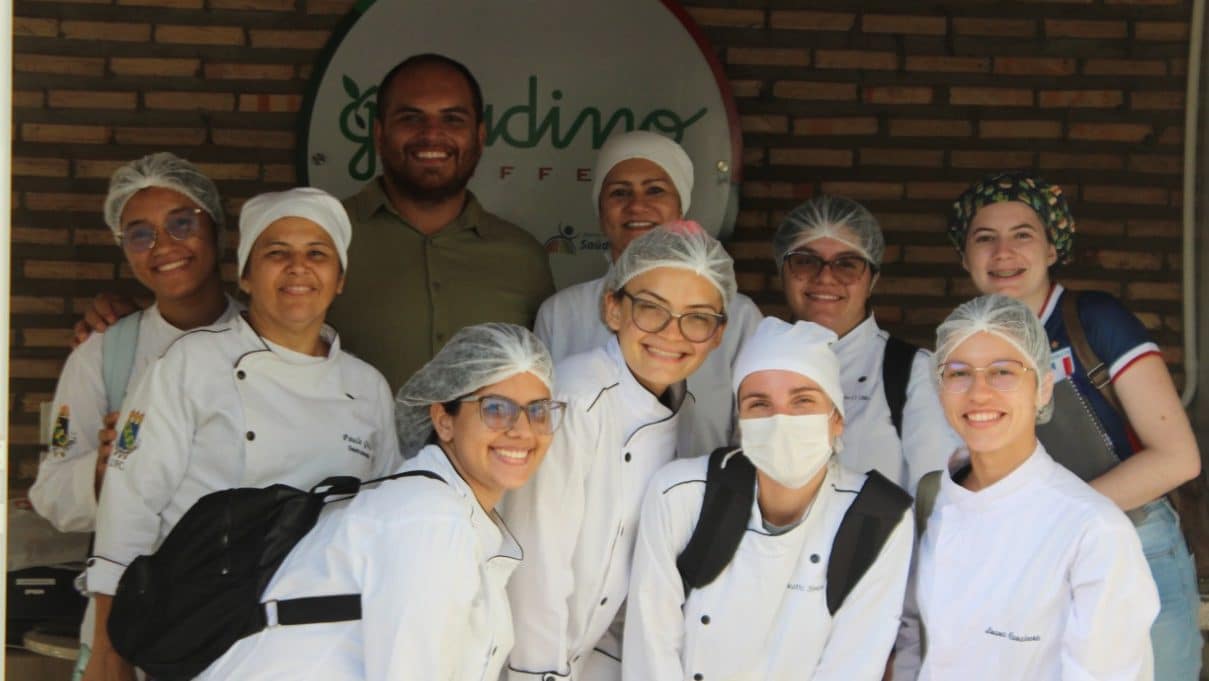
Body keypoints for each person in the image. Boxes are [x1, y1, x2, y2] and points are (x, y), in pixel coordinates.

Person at [75, 53, 555, 391]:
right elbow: (237, 331)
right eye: (411, 118)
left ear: (479, 134)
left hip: (481, 512)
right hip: (330, 496)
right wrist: (133, 325)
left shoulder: (523, 258)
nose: (432, 134)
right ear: (379, 133)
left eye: (452, 119)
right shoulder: (314, 236)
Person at [82, 188, 400, 681]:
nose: (298, 268)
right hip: (202, 639)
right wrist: (109, 646)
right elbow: (129, 507)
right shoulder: (190, 364)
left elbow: (380, 532)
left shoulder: (368, 388)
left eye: (317, 254)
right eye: (277, 254)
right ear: (247, 276)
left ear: (339, 280)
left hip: (325, 647)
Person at [199, 323, 562, 680]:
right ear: (444, 420)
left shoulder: (444, 510)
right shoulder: (429, 520)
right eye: (496, 408)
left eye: (539, 410)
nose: (523, 430)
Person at [947, 171, 1201, 680]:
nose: (1003, 253)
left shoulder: (1093, 320)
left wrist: (1052, 522)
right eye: (984, 238)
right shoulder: (968, 337)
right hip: (1029, 555)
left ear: (1052, 247)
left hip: (1136, 541)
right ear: (964, 255)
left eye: (1023, 234)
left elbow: (1178, 458)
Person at [28, 153, 242, 680]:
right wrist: (102, 471)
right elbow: (53, 494)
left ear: (215, 228)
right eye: (139, 234)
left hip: (242, 616)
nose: (164, 246)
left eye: (182, 223)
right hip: (130, 627)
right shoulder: (104, 353)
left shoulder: (269, 343)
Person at [503, 222, 736, 681]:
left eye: (697, 317)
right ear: (613, 308)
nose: (673, 334)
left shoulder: (679, 410)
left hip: (589, 656)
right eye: (652, 309)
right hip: (524, 660)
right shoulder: (575, 400)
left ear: (717, 334)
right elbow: (536, 565)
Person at [623, 317, 913, 680]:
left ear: (837, 419)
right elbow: (652, 650)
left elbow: (853, 661)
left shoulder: (878, 516)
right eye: (759, 404)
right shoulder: (681, 493)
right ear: (740, 419)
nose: (781, 421)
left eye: (802, 401)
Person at [900, 294, 1158, 680]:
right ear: (940, 388)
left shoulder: (1093, 530)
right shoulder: (933, 501)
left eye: (1003, 371)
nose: (979, 392)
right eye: (958, 372)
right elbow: (914, 648)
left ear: (1043, 388)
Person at [534, 130, 761, 458]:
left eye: (655, 190)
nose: (637, 205)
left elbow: (753, 436)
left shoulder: (738, 317)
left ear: (681, 206)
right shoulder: (560, 313)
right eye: (619, 192)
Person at [772, 196, 958, 492]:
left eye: (847, 264)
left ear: (872, 280)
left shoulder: (911, 372)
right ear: (781, 270)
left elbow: (936, 498)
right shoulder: (752, 361)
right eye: (805, 261)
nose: (825, 278)